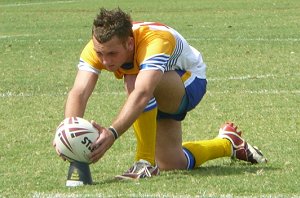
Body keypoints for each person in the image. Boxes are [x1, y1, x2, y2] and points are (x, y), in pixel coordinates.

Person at [54, 7, 267, 180]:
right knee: (172, 163)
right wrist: (68, 135)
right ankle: (228, 143)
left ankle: (144, 162)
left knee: (135, 79)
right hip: (156, 90)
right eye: (100, 53)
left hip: (190, 82)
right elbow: (79, 92)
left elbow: (143, 91)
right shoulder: (98, 46)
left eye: (112, 54)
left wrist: (112, 133)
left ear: (129, 42)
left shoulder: (154, 41)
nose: (106, 61)